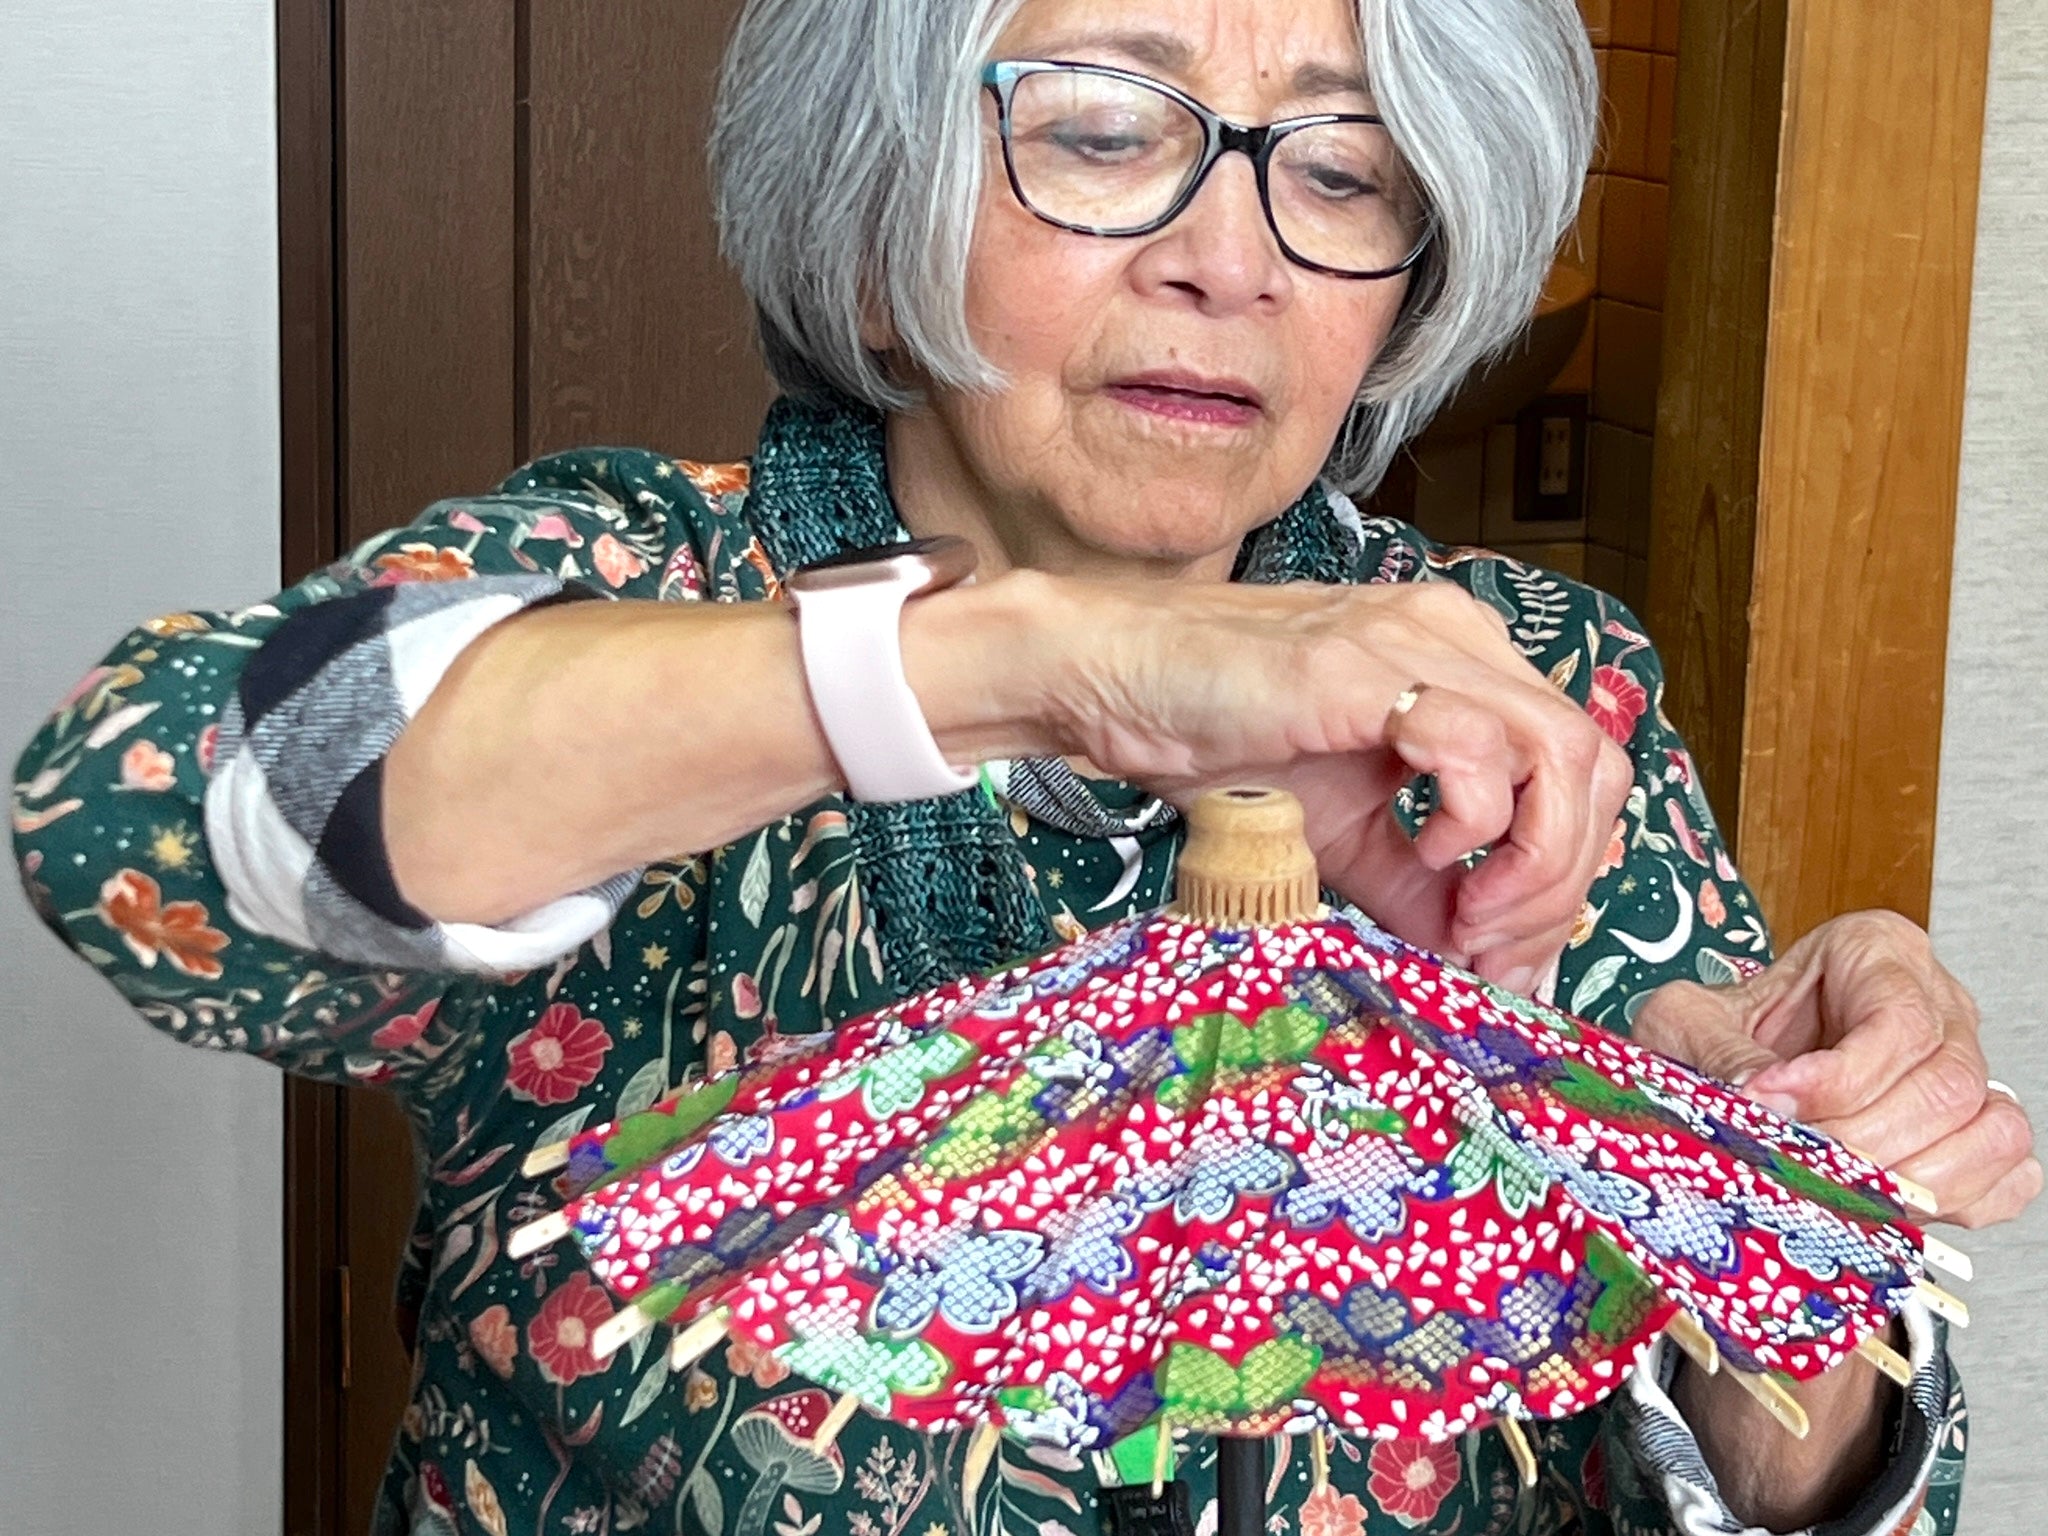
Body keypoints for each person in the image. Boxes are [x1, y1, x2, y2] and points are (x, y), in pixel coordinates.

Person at [12, 0, 2034, 1532]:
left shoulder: (1528, 680)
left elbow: (1798, 1479)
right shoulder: (644, 582)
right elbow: (139, 822)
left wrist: (1766, 1213)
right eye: (1095, 133)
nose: (1226, 262)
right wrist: (1038, 658)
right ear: (874, 176)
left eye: (1339, 174)